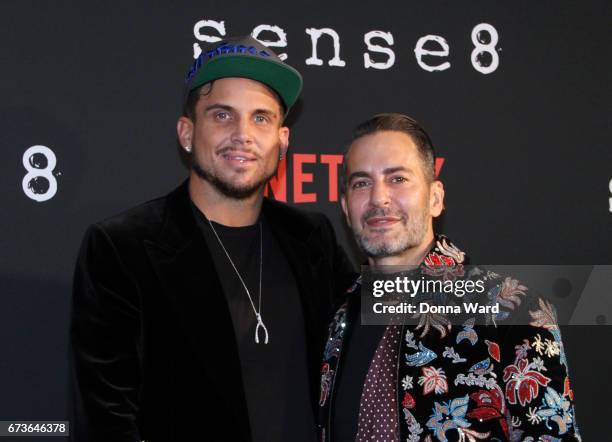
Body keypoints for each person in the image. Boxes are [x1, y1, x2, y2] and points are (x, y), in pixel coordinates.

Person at [70, 35, 354, 442]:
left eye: (261, 118)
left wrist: (464, 284)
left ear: (283, 140)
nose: (243, 134)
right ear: (187, 133)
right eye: (223, 116)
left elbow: (385, 322)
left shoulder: (311, 238)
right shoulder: (122, 247)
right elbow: (104, 420)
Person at [318, 113, 580, 441]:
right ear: (345, 207)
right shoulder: (337, 320)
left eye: (397, 179)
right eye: (361, 183)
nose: (378, 198)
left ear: (436, 198)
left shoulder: (513, 310)